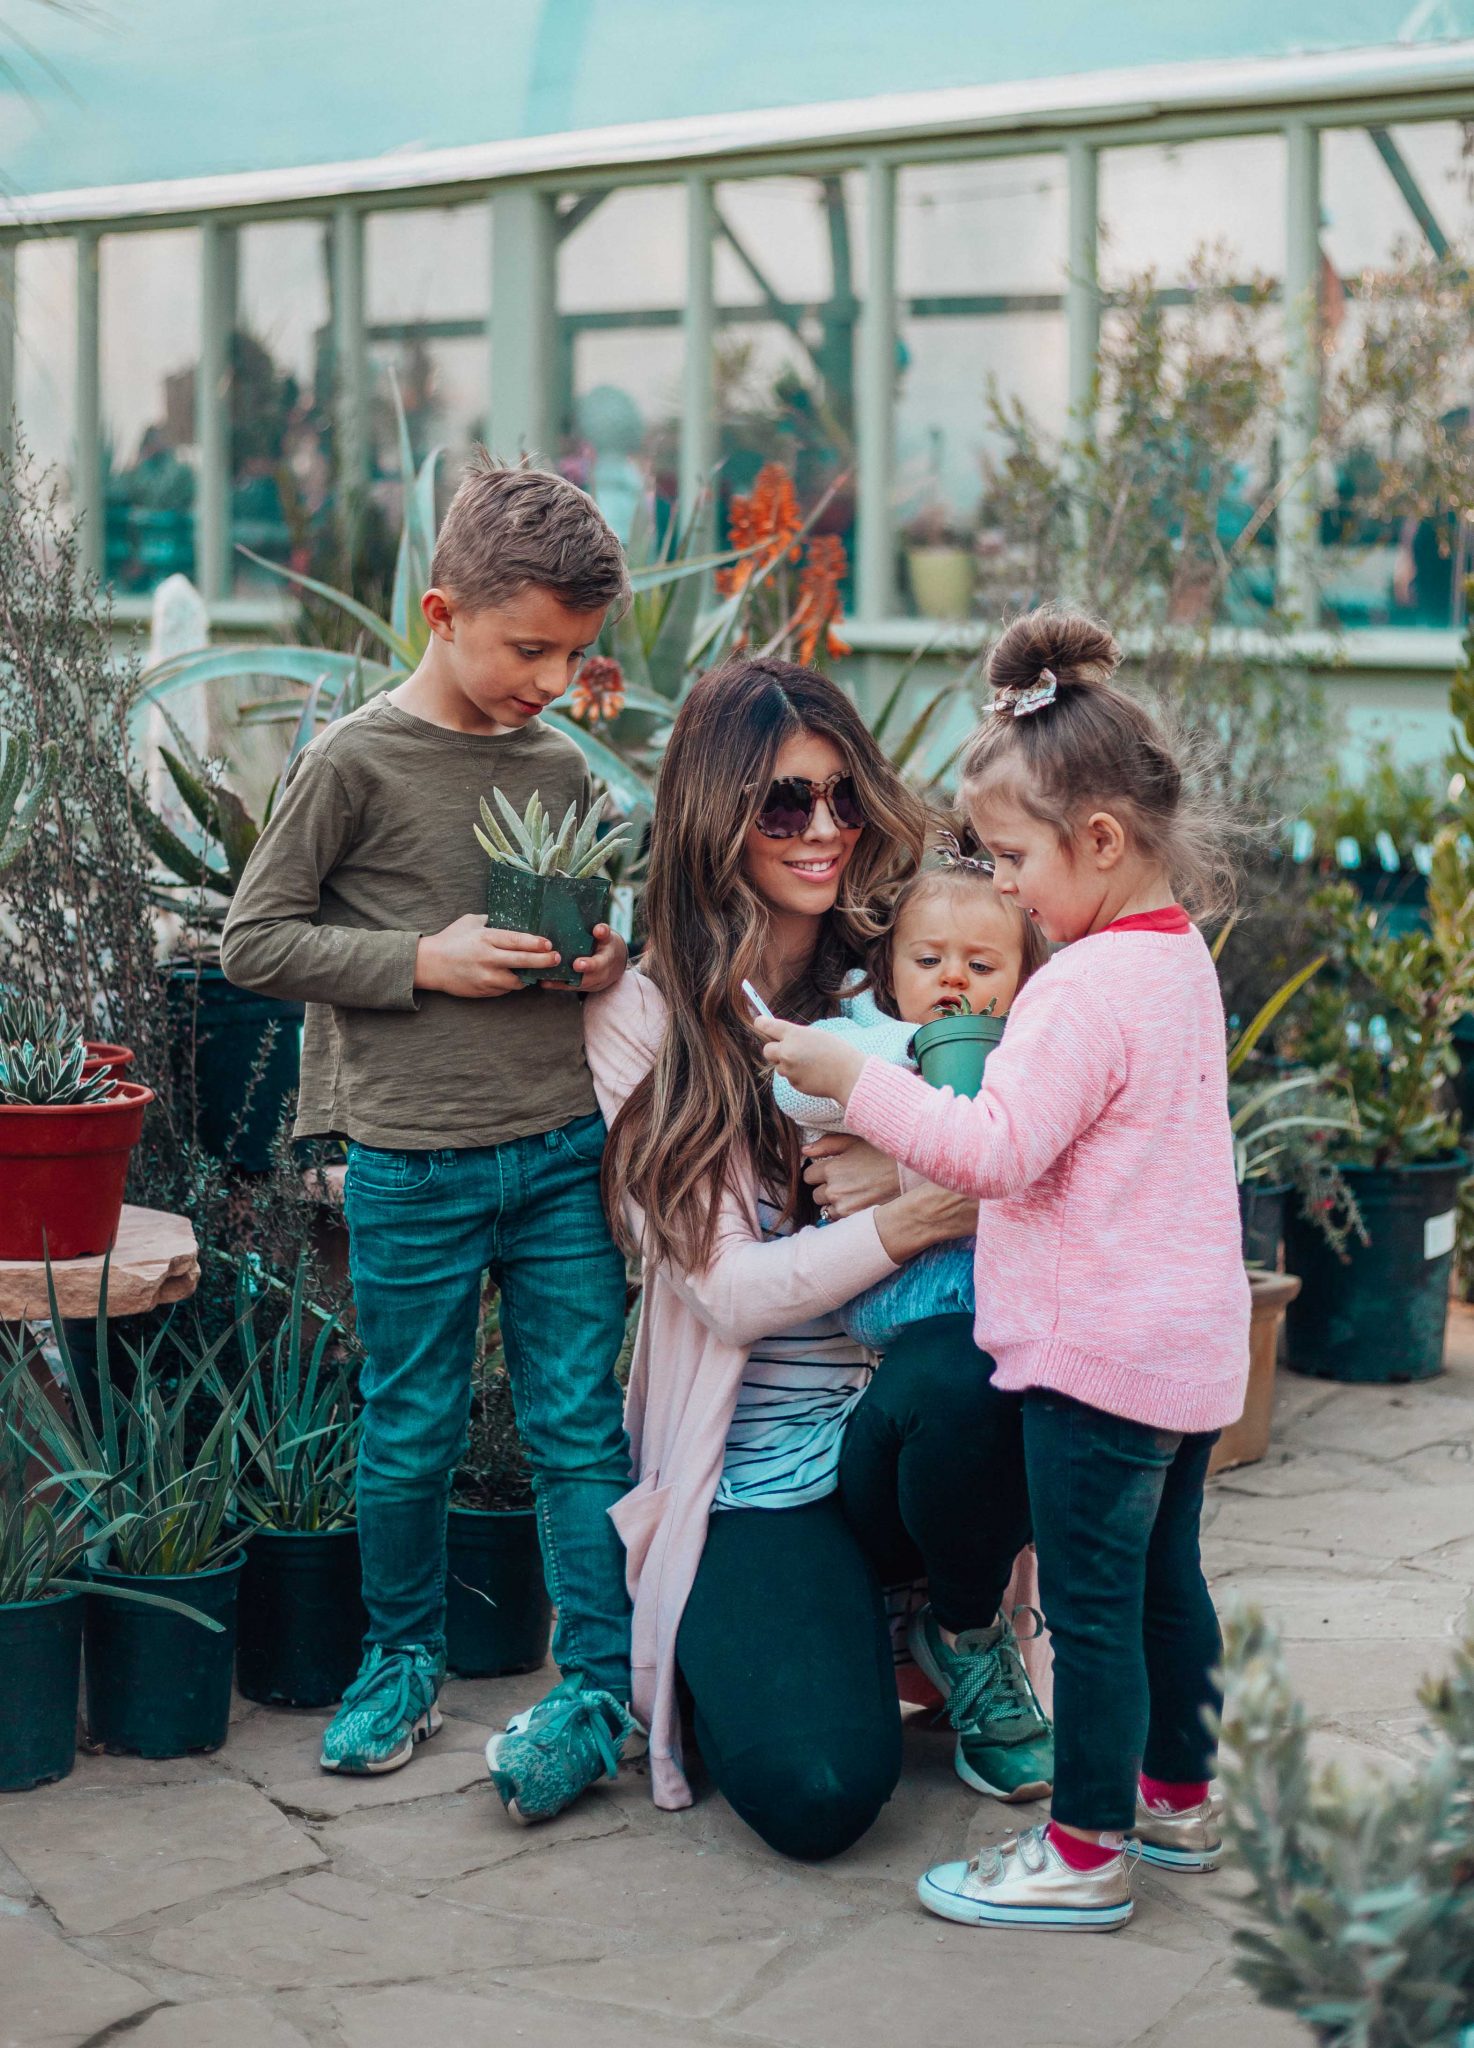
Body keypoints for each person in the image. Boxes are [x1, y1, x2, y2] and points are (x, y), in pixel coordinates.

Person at [760, 606, 1250, 1927]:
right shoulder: (1170, 958)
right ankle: (1178, 1802)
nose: (1006, 886)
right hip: (1187, 1348)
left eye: (1016, 856)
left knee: (1090, 1617)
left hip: (1094, 1361)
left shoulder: (1077, 991)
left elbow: (992, 1149)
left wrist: (853, 1082)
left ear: (1097, 840)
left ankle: (1084, 1857)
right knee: (1163, 1587)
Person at [221, 453, 643, 1822]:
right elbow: (253, 939)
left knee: (578, 1431)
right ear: (438, 609)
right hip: (411, 1159)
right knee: (407, 1426)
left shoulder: (558, 766)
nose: (550, 677)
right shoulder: (352, 762)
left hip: (562, 1148)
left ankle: (594, 1684)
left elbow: (593, 922)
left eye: (572, 653)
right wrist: (423, 959)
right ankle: (397, 1661)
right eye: (529, 647)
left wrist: (605, 957)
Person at [583, 654, 1051, 1861]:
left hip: (905, 1426)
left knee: (967, 1371)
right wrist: (918, 1211)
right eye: (787, 802)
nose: (825, 829)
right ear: (715, 813)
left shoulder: (910, 964)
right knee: (821, 1790)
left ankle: (955, 1624)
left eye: (842, 796)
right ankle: (801, 1636)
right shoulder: (646, 1017)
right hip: (761, 1469)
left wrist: (918, 1172)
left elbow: (1041, 1163)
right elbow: (729, 1295)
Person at [773, 852, 1048, 1355]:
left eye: (981, 965)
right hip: (883, 1281)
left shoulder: (1023, 1055)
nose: (953, 977)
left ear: (1025, 982)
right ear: (889, 969)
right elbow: (792, 1088)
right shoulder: (861, 1032)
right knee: (1018, 1294)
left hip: (975, 1267)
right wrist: (916, 1046)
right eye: (928, 960)